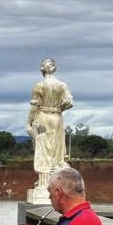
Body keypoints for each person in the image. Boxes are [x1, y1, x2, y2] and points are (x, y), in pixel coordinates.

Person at [26, 58, 74, 189]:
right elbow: (70, 102)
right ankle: (52, 183)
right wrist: (59, 109)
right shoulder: (62, 85)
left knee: (43, 150)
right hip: (57, 118)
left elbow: (34, 106)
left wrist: (28, 123)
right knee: (56, 151)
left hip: (43, 118)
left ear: (42, 69)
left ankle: (44, 183)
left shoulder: (39, 86)